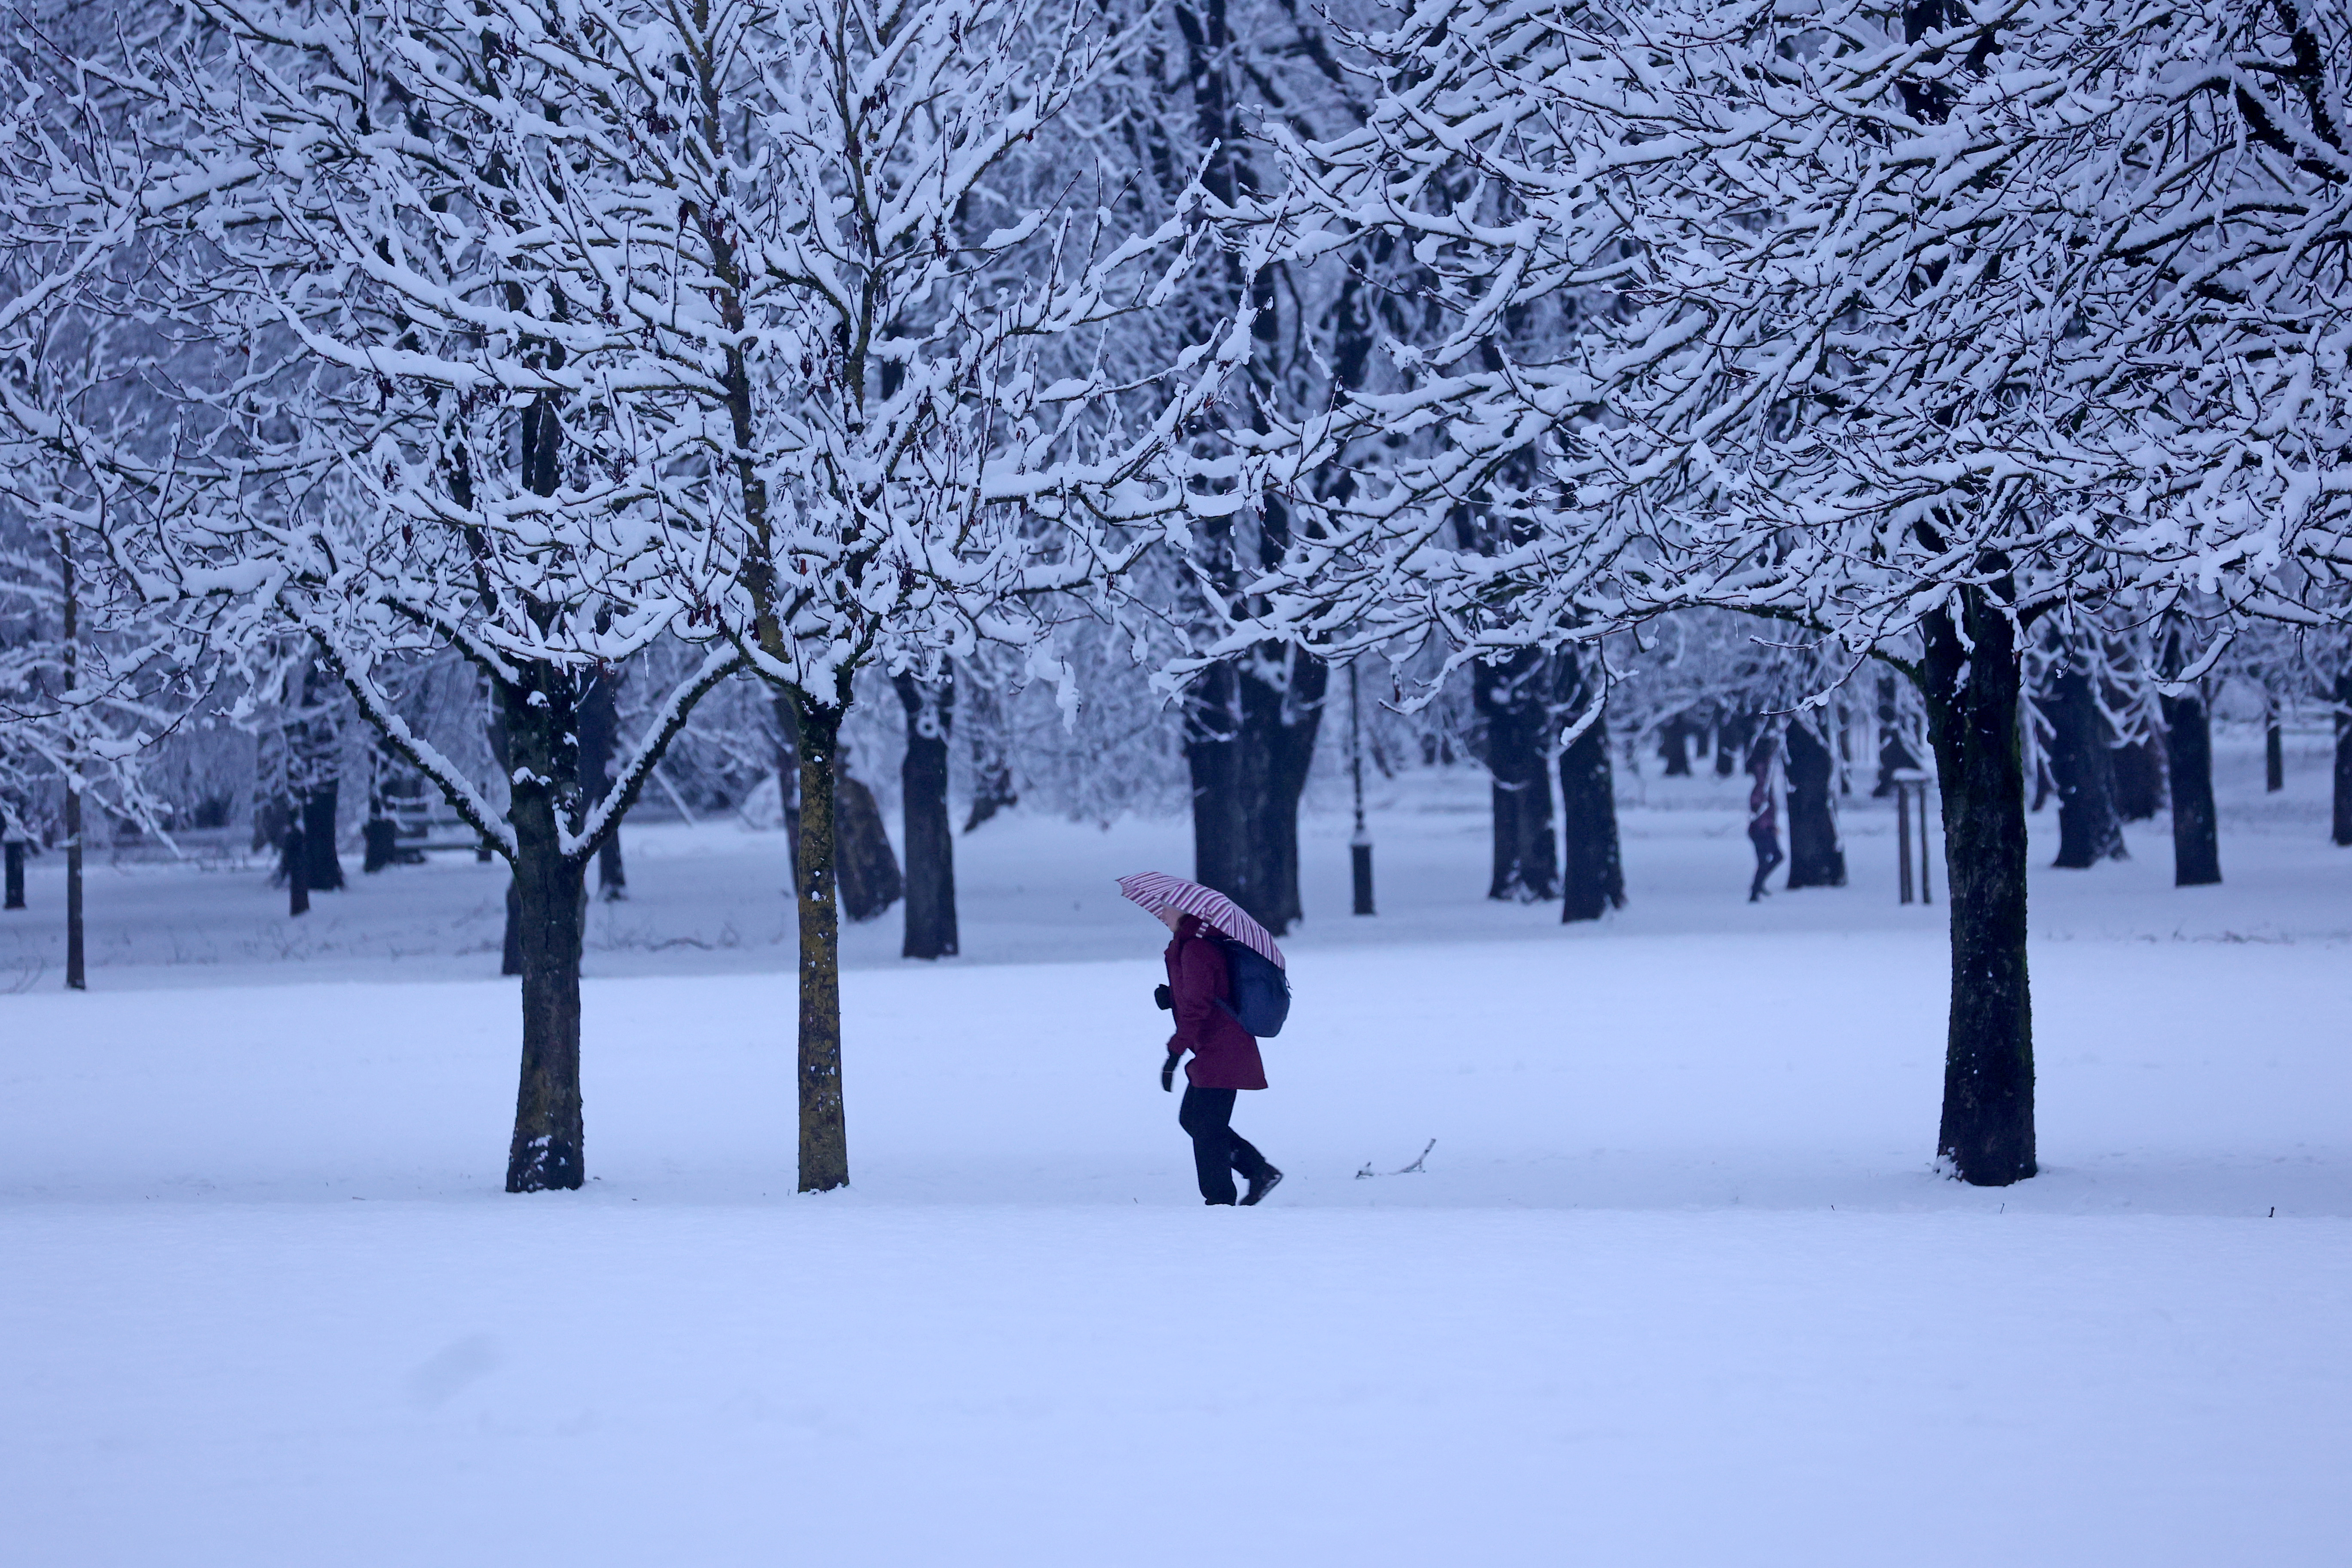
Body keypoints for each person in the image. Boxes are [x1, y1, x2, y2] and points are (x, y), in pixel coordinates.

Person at [1155, 905, 1282, 1205]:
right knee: (1194, 1120)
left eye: (1167, 908)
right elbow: (1203, 996)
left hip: (1223, 1050)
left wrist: (1175, 1053)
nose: (1161, 913)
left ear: (1185, 911)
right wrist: (1171, 997)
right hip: (1215, 1049)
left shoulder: (1197, 950)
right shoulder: (1191, 946)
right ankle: (1258, 1171)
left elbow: (1199, 1007)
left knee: (1206, 1128)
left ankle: (1220, 1201)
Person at [1747, 729, 1784, 902]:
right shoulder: (1760, 789)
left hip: (1763, 829)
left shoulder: (1764, 788)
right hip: (1761, 831)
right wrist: (1769, 826)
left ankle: (1757, 887)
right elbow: (1759, 811)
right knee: (1772, 858)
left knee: (1771, 859)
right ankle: (1755, 891)